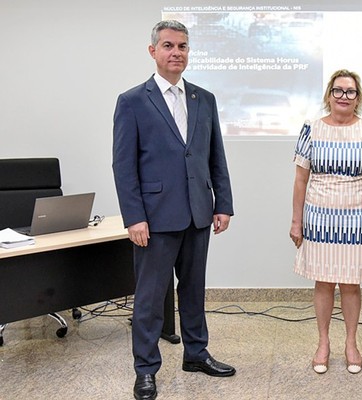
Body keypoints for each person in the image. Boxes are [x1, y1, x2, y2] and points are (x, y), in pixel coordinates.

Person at [112, 20, 235, 400]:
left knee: (194, 291)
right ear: (153, 51)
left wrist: (223, 204)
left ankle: (196, 354)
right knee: (150, 299)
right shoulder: (132, 100)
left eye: (182, 46)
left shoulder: (204, 98)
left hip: (199, 212)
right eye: (168, 45)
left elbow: (215, 155)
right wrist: (134, 217)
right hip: (155, 217)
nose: (176, 52)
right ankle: (145, 369)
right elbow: (123, 165)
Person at [290, 69, 362, 375]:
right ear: (329, 95)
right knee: (323, 281)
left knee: (350, 283)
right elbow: (300, 179)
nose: (343, 97)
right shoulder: (311, 128)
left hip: (358, 215)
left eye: (350, 92)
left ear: (358, 98)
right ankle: (323, 343)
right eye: (338, 91)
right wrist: (296, 221)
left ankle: (350, 343)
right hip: (319, 215)